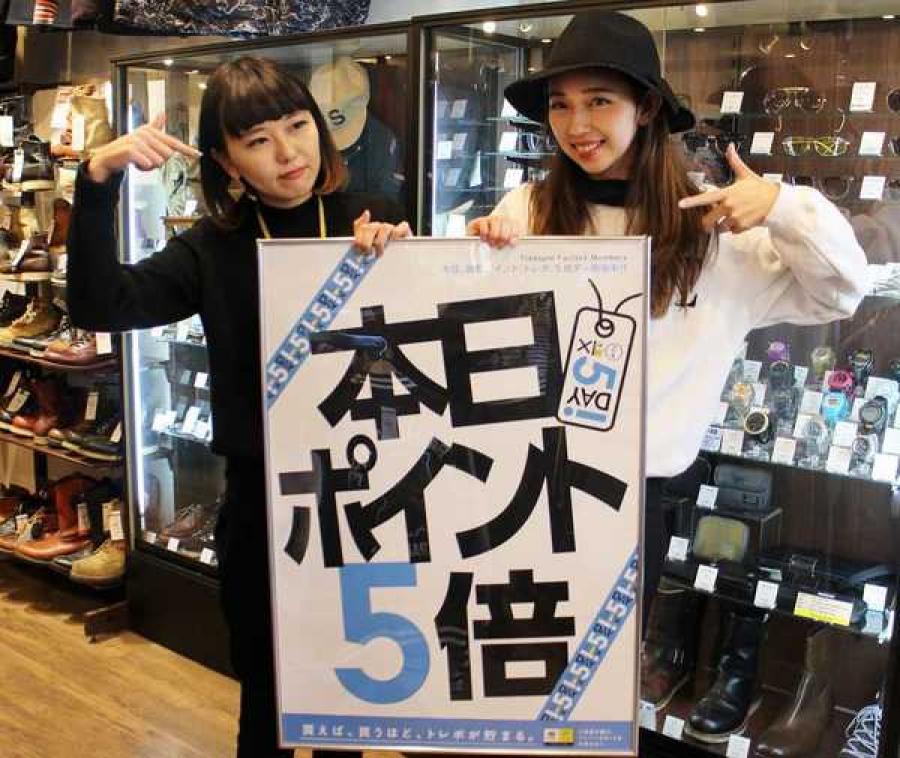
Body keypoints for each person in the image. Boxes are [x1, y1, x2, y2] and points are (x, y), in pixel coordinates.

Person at [467, 7, 867, 723]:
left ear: (647, 108)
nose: (576, 124)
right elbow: (475, 334)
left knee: (588, 693)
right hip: (519, 481)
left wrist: (782, 205)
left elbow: (840, 290)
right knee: (508, 669)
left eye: (599, 101)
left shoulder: (711, 231)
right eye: (560, 104)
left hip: (631, 497)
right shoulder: (528, 208)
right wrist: (471, 259)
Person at [66, 56, 410, 758]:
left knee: (351, 700)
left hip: (370, 497)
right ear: (225, 161)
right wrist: (97, 180)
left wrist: (412, 263)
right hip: (263, 506)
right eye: (258, 140)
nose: (288, 152)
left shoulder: (376, 215)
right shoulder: (212, 249)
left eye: (298, 126)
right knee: (267, 696)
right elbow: (100, 304)